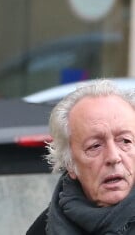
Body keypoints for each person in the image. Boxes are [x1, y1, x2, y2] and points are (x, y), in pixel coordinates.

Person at [26, 79, 135, 235]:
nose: (113, 157)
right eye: (95, 146)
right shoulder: (43, 230)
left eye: (125, 141)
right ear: (70, 163)